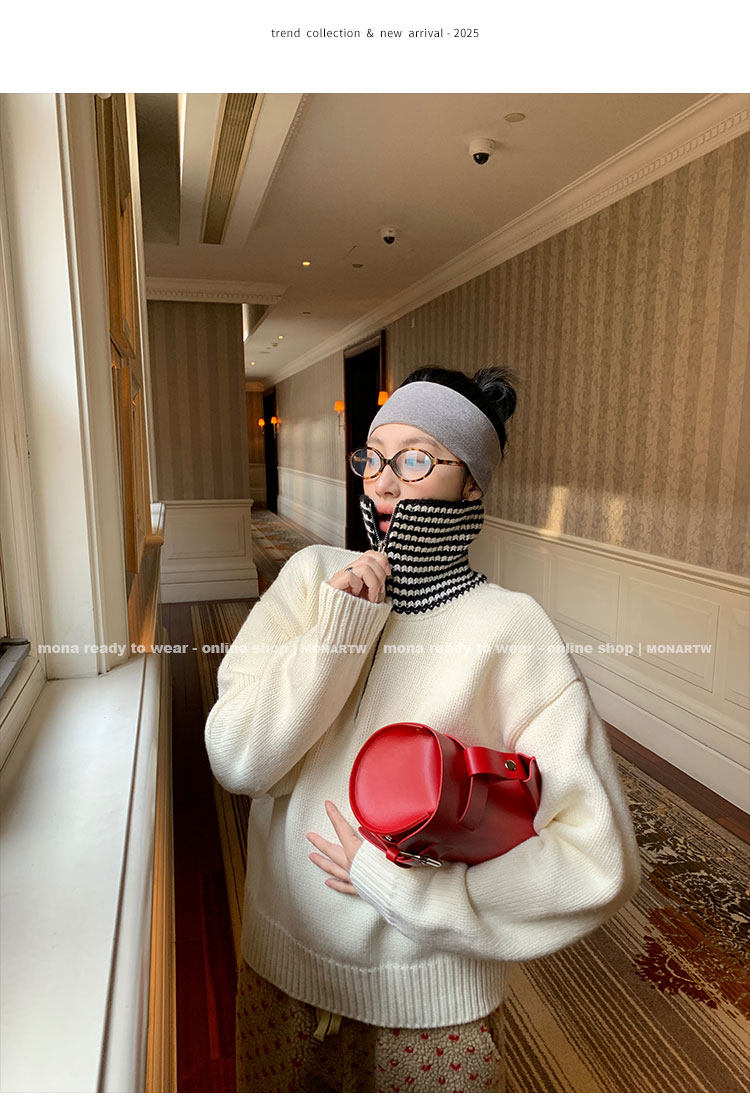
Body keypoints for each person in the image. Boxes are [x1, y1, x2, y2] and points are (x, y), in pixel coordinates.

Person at [204, 366, 641, 1094]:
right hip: (282, 969)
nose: (382, 482)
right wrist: (338, 631)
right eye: (373, 457)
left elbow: (595, 860)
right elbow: (240, 762)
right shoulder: (310, 580)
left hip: (431, 1013)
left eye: (413, 459)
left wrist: (404, 892)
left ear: (471, 485)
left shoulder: (512, 630)